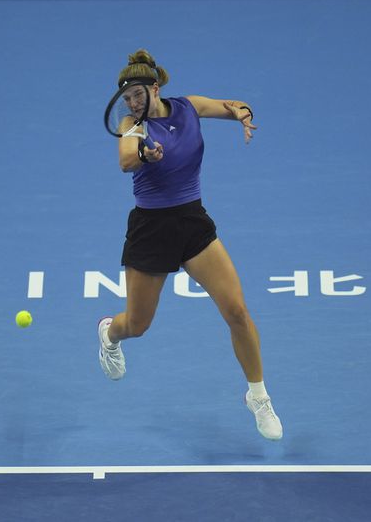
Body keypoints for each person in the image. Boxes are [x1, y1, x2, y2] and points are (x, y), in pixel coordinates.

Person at [97, 49, 283, 441]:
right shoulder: (133, 125)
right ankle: (109, 334)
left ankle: (258, 396)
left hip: (192, 222)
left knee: (236, 311)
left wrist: (243, 116)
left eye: (137, 95)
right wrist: (146, 153)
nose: (132, 104)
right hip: (151, 229)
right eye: (127, 100)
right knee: (138, 325)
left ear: (155, 88)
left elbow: (233, 106)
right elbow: (127, 160)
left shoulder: (188, 107)